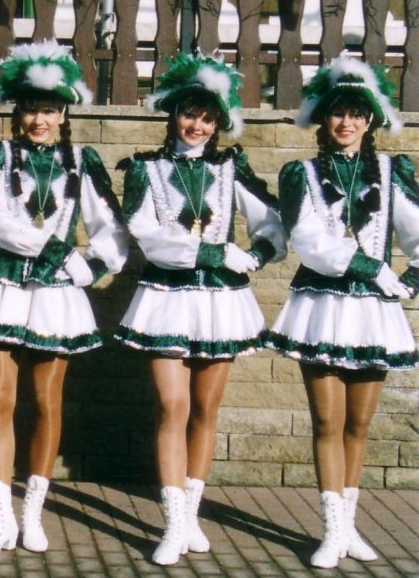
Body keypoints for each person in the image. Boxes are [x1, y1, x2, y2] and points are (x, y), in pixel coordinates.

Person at [0, 41, 127, 559]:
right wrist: (56, 248)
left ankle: (32, 513)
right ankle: (0, 518)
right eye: (31, 109)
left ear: (64, 113)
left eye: (49, 110)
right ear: (18, 112)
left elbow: (111, 228)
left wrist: (92, 265)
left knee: (47, 403)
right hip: (2, 287)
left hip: (56, 295)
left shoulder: (82, 160)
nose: (39, 120)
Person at [115, 53, 286, 565]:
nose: (197, 126)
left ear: (218, 124)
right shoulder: (145, 168)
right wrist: (213, 252)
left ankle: (190, 515)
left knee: (206, 410)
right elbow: (146, 234)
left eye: (208, 119)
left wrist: (256, 255)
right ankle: (174, 524)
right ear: (173, 114)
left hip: (220, 302)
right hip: (166, 298)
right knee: (173, 407)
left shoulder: (231, 167)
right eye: (190, 114)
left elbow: (272, 222)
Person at [265, 55, 418, 568]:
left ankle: (350, 528)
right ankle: (332, 531)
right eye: (337, 112)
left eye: (356, 113)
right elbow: (308, 239)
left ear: (370, 120)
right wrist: (372, 267)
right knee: (327, 421)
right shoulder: (301, 173)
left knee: (359, 423)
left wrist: (412, 278)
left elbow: (417, 231)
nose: (346, 122)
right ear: (324, 118)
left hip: (373, 314)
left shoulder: (393, 172)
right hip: (322, 307)